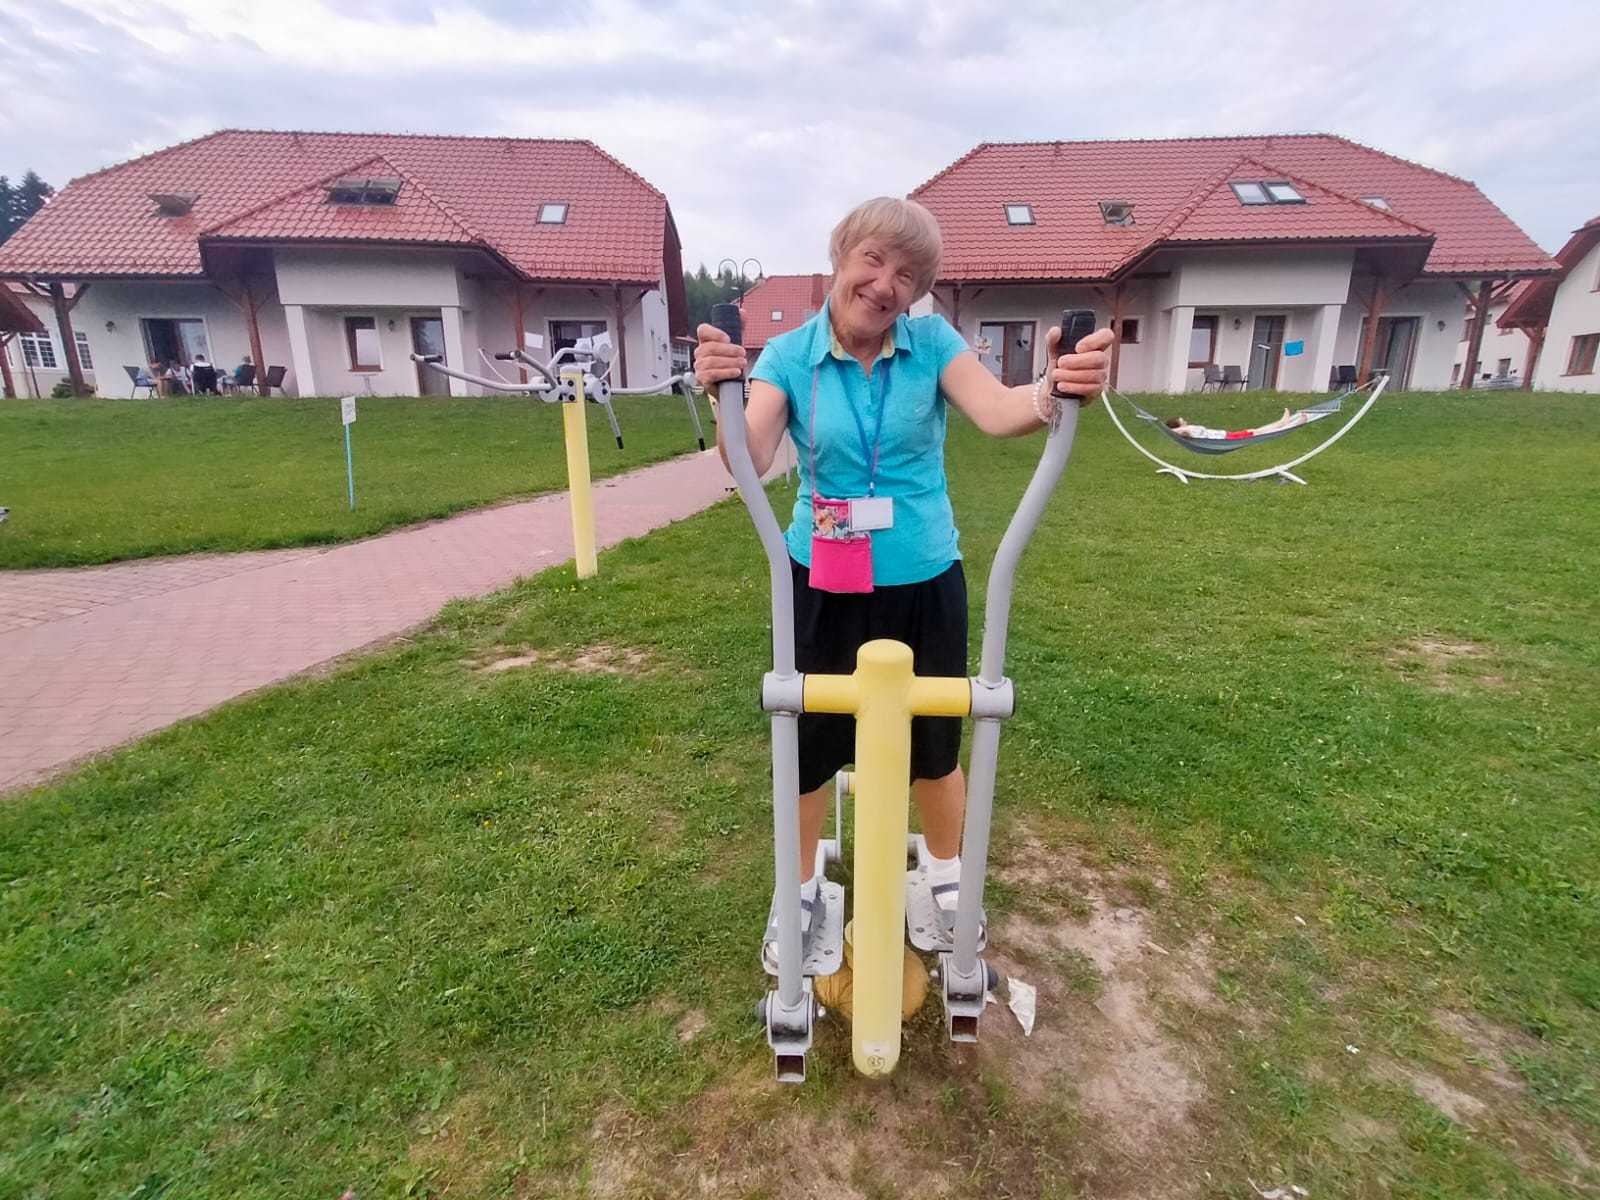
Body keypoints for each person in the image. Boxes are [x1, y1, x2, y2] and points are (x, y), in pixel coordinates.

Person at [694, 196, 1112, 966]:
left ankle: (947, 875)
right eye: (874, 260)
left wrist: (1054, 386)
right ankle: (800, 887)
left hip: (924, 579)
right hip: (820, 579)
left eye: (908, 275)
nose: (886, 284)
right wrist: (723, 395)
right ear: (841, 256)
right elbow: (750, 457)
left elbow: (999, 411)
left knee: (935, 742)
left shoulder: (931, 344)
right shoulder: (788, 356)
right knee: (809, 743)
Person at [1165, 407, 1307, 440]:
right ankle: (1289, 423)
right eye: (1182, 421)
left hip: (1227, 436)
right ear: (1178, 426)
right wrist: (1167, 428)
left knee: (1255, 431)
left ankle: (1284, 422)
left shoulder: (1186, 430)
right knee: (1256, 432)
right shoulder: (1185, 431)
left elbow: (1176, 431)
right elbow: (1175, 431)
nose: (1185, 421)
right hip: (1226, 438)